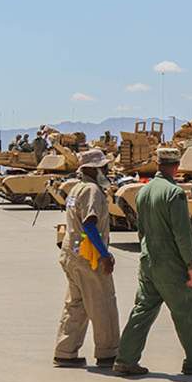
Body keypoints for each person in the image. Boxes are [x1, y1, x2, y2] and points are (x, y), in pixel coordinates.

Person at [113, 148, 192, 376]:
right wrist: (191, 266)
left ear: (158, 164)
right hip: (171, 264)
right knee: (188, 312)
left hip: (148, 260)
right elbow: (182, 234)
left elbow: (141, 230)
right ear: (177, 166)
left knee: (143, 310)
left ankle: (125, 359)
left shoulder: (143, 191)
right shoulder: (175, 193)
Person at [53, 149, 120, 368]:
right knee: (103, 304)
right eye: (103, 167)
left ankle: (65, 352)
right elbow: (90, 224)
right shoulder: (92, 190)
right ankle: (108, 353)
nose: (106, 171)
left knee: (76, 305)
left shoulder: (76, 188)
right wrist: (104, 255)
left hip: (71, 254)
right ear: (93, 169)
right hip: (88, 257)